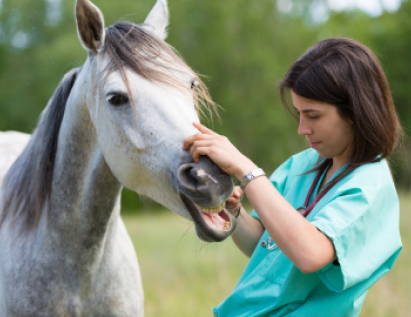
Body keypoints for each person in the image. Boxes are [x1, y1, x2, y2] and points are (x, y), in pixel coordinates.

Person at [183, 38, 402, 317]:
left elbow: (310, 255)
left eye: (313, 115)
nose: (302, 129)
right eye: (299, 114)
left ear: (355, 111)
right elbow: (265, 247)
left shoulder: (369, 186)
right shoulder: (303, 164)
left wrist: (246, 170)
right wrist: (234, 211)